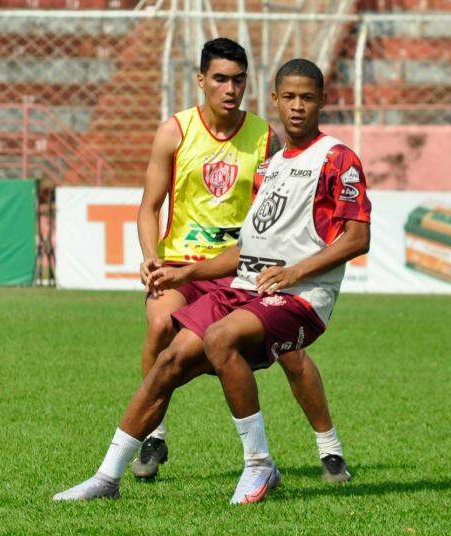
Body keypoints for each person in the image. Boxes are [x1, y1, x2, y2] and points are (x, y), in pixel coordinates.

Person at [53, 58, 370, 504]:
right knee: (170, 361)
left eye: (308, 98)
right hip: (248, 287)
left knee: (221, 338)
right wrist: (187, 272)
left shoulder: (338, 158)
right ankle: (107, 478)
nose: (298, 107)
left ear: (322, 102)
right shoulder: (272, 165)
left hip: (299, 297)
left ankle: (261, 466)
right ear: (276, 100)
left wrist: (295, 272)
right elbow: (249, 249)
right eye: (290, 97)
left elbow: (358, 238)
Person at [132, 38, 350, 482]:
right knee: (159, 327)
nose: (229, 89)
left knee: (292, 354)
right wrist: (152, 259)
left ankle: (329, 450)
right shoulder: (175, 131)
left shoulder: (266, 137)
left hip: (242, 268)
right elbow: (148, 207)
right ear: (201, 81)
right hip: (182, 267)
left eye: (238, 80)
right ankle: (154, 436)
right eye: (220, 79)